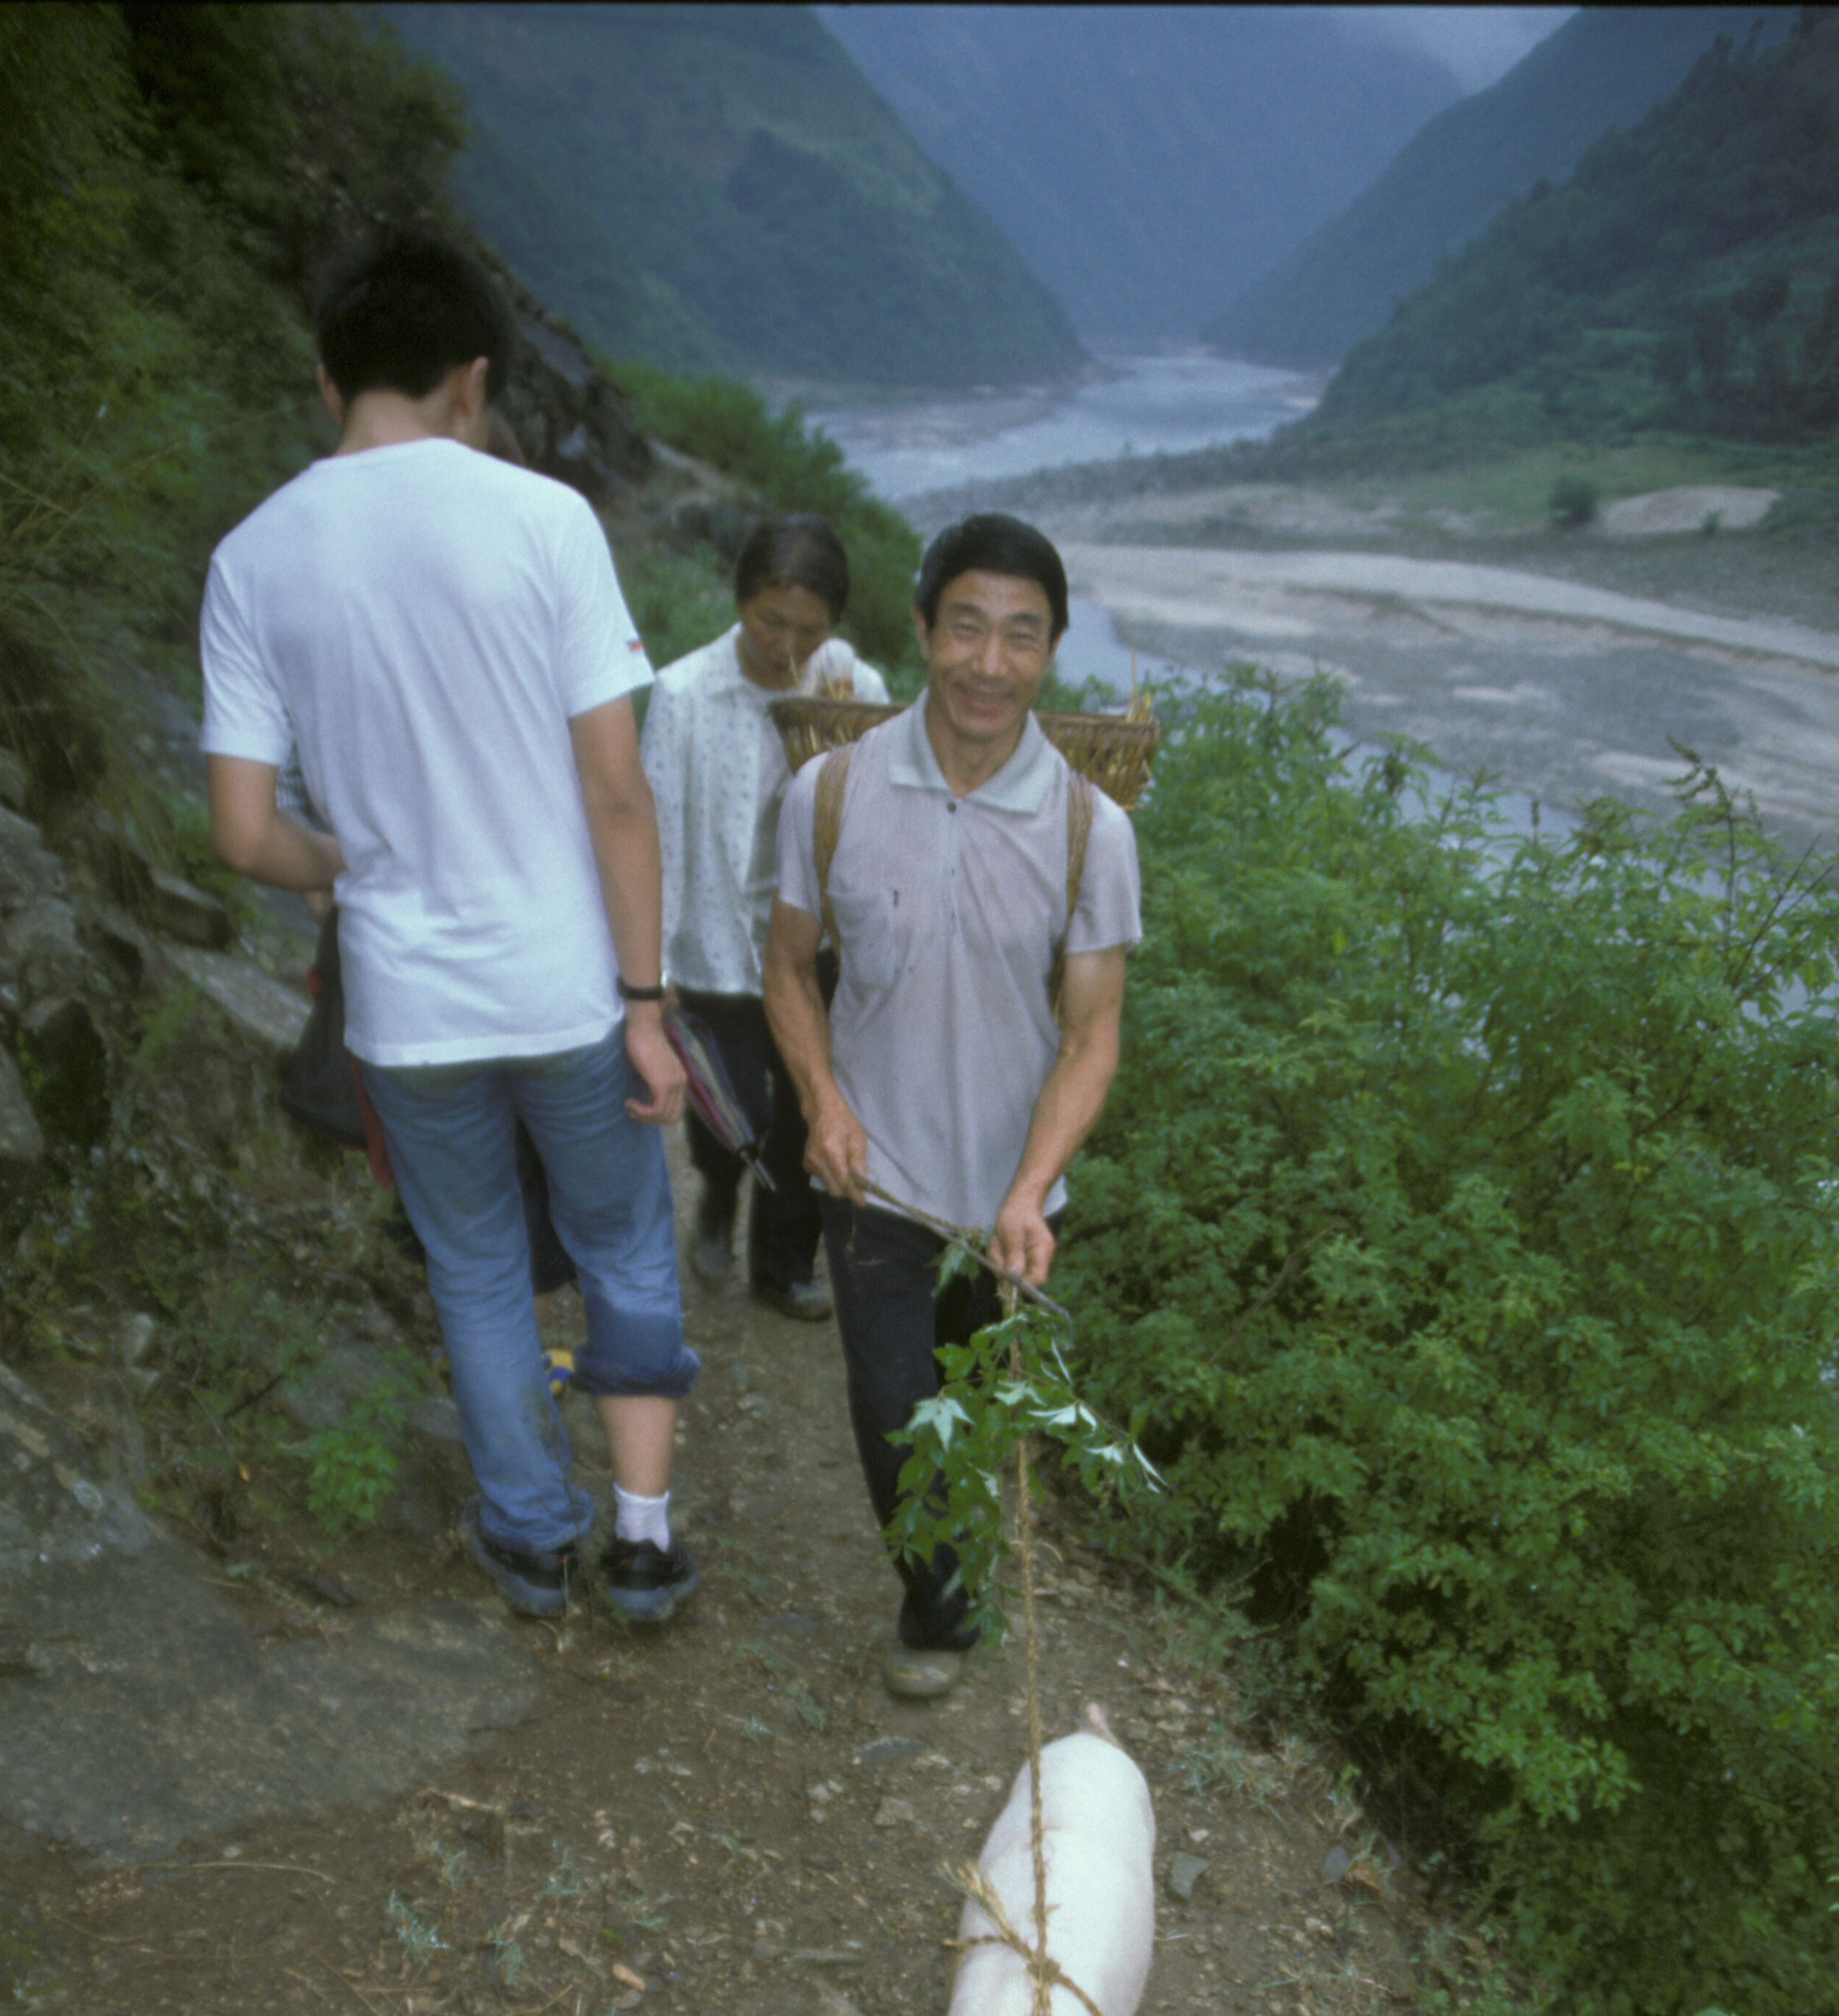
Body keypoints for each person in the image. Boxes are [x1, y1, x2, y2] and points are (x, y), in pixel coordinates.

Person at [201, 230, 701, 1627]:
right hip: (563, 990)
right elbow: (616, 791)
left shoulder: (252, 559)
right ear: (471, 381)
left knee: (476, 1266)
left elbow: (241, 832)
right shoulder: (544, 524)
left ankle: (533, 1540)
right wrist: (648, 1007)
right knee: (622, 1244)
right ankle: (646, 1542)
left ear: (326, 380)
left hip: (407, 1012)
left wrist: (336, 864)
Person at [764, 512, 1140, 1700]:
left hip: (1008, 1206)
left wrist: (1031, 1188)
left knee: (969, 1415)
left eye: (1021, 636)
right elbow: (786, 966)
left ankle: (952, 1547)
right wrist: (820, 1100)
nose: (990, 662)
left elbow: (1091, 1034)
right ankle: (937, 1606)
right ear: (921, 630)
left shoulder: (1092, 828)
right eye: (966, 626)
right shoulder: (828, 793)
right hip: (875, 1177)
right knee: (891, 1412)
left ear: (1052, 652)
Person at [642, 515, 888, 1320]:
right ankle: (717, 1191)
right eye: (769, 622)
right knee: (731, 1105)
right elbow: (661, 833)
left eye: (809, 631)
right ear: (740, 601)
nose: (788, 645)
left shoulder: (848, 688)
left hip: (811, 940)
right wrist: (657, 973)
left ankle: (783, 1264)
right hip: (712, 938)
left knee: (808, 1103)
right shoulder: (684, 694)